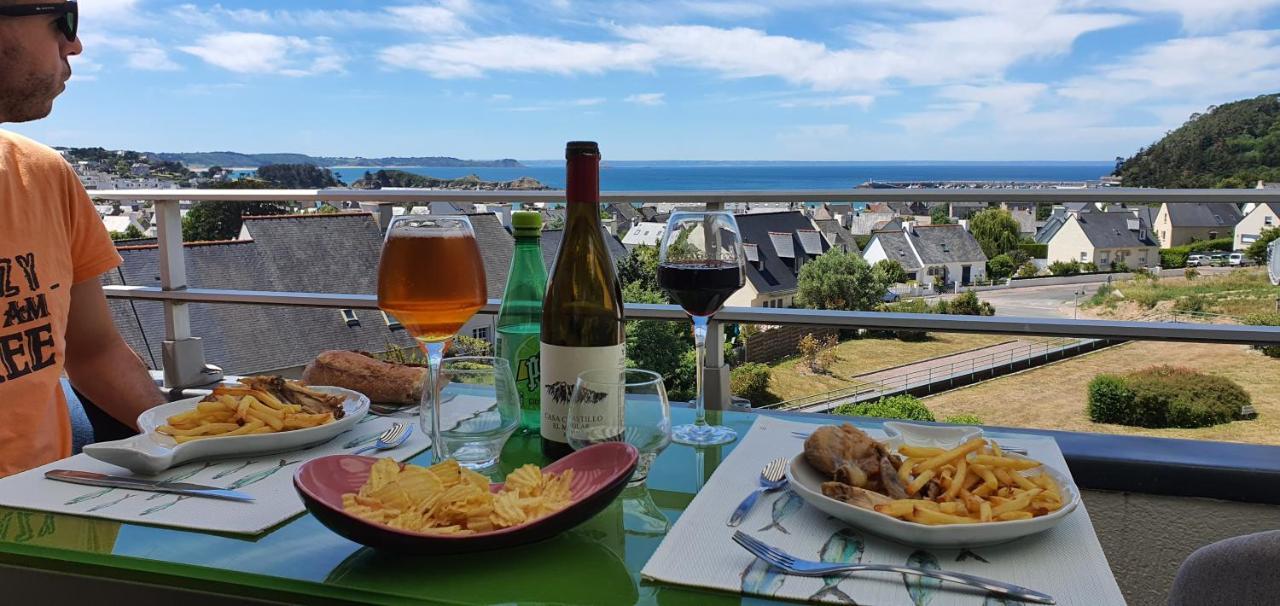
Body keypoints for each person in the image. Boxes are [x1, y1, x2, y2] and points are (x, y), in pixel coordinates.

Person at [0, 0, 164, 477]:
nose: (75, 43)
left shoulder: (45, 175)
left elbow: (93, 351)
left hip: (52, 501)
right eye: (64, 18)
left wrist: (182, 437)